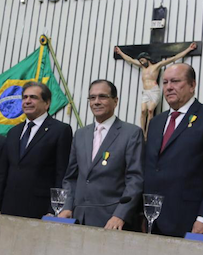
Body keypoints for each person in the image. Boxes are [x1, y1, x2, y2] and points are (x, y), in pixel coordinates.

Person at [143, 63, 203, 237]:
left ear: (192, 85)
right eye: (165, 82)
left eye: (175, 81)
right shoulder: (156, 122)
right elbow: (152, 167)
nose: (169, 87)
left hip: (189, 219)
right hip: (153, 219)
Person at [59, 80, 143, 230]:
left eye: (102, 97)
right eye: (92, 98)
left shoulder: (131, 133)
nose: (96, 102)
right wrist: (67, 206)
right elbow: (71, 177)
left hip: (112, 221)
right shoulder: (80, 134)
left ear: (115, 101)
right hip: (78, 218)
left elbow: (135, 179)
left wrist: (120, 215)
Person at [0, 81, 73, 219]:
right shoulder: (13, 132)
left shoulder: (60, 130)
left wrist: (54, 210)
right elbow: (2, 173)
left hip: (40, 210)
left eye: (33, 97)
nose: (27, 101)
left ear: (47, 103)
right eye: (24, 97)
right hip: (7, 208)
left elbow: (61, 174)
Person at [114, 42, 197, 138]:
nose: (141, 62)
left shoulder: (156, 67)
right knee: (143, 111)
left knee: (150, 110)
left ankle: (148, 132)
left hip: (154, 90)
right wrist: (120, 52)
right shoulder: (142, 68)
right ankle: (142, 132)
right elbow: (130, 60)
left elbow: (173, 58)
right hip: (145, 92)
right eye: (140, 61)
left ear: (147, 59)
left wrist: (188, 49)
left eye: (142, 60)